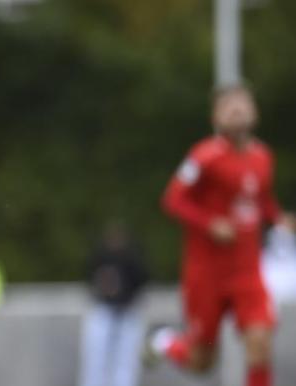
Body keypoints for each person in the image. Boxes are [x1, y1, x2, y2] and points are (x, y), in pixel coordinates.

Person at [150, 85, 291, 386]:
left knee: (260, 341)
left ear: (255, 111)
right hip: (207, 274)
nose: (237, 109)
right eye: (228, 105)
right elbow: (173, 199)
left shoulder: (263, 156)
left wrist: (279, 219)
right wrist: (210, 222)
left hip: (246, 271)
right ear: (216, 116)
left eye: (243, 103)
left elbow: (261, 199)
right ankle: (165, 343)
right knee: (202, 362)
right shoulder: (203, 157)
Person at [78, 221, 148, 386]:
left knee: (126, 361)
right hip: (104, 311)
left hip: (127, 311)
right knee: (95, 358)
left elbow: (141, 282)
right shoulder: (100, 257)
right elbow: (91, 281)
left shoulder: (132, 260)